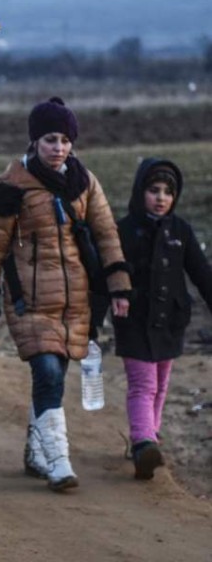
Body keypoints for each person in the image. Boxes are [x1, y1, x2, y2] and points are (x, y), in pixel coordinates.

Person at [0, 97, 131, 492]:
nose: (58, 147)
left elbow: (107, 235)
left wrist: (119, 287)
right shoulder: (12, 187)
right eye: (49, 139)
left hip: (77, 301)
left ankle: (35, 450)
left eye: (64, 139)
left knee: (54, 378)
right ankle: (58, 461)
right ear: (34, 142)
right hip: (30, 300)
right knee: (47, 371)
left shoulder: (84, 183)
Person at [109, 159, 212, 480]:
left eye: (169, 192)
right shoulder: (123, 230)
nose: (161, 198)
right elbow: (105, 273)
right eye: (154, 190)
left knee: (162, 384)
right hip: (134, 320)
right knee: (143, 384)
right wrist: (107, 303)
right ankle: (143, 442)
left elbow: (201, 272)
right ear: (141, 191)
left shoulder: (180, 230)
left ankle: (150, 435)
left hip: (171, 320)